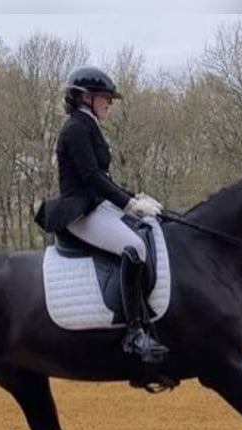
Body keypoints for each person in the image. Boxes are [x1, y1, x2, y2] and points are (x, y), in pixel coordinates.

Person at [34, 66, 169, 364]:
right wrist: (128, 204)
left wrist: (134, 196)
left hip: (96, 205)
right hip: (80, 212)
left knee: (147, 229)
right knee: (134, 249)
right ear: (85, 97)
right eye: (105, 97)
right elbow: (92, 177)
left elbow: (103, 177)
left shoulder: (89, 125)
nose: (110, 103)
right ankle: (134, 333)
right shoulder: (76, 129)